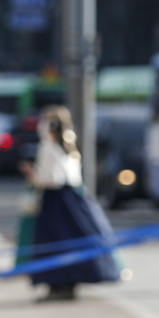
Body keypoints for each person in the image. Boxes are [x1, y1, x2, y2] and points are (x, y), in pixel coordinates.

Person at [21, 105, 120, 301]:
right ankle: (65, 285)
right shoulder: (69, 146)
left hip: (55, 201)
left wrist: (33, 176)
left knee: (53, 243)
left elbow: (53, 178)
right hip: (69, 200)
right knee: (69, 244)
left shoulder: (50, 147)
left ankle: (57, 285)